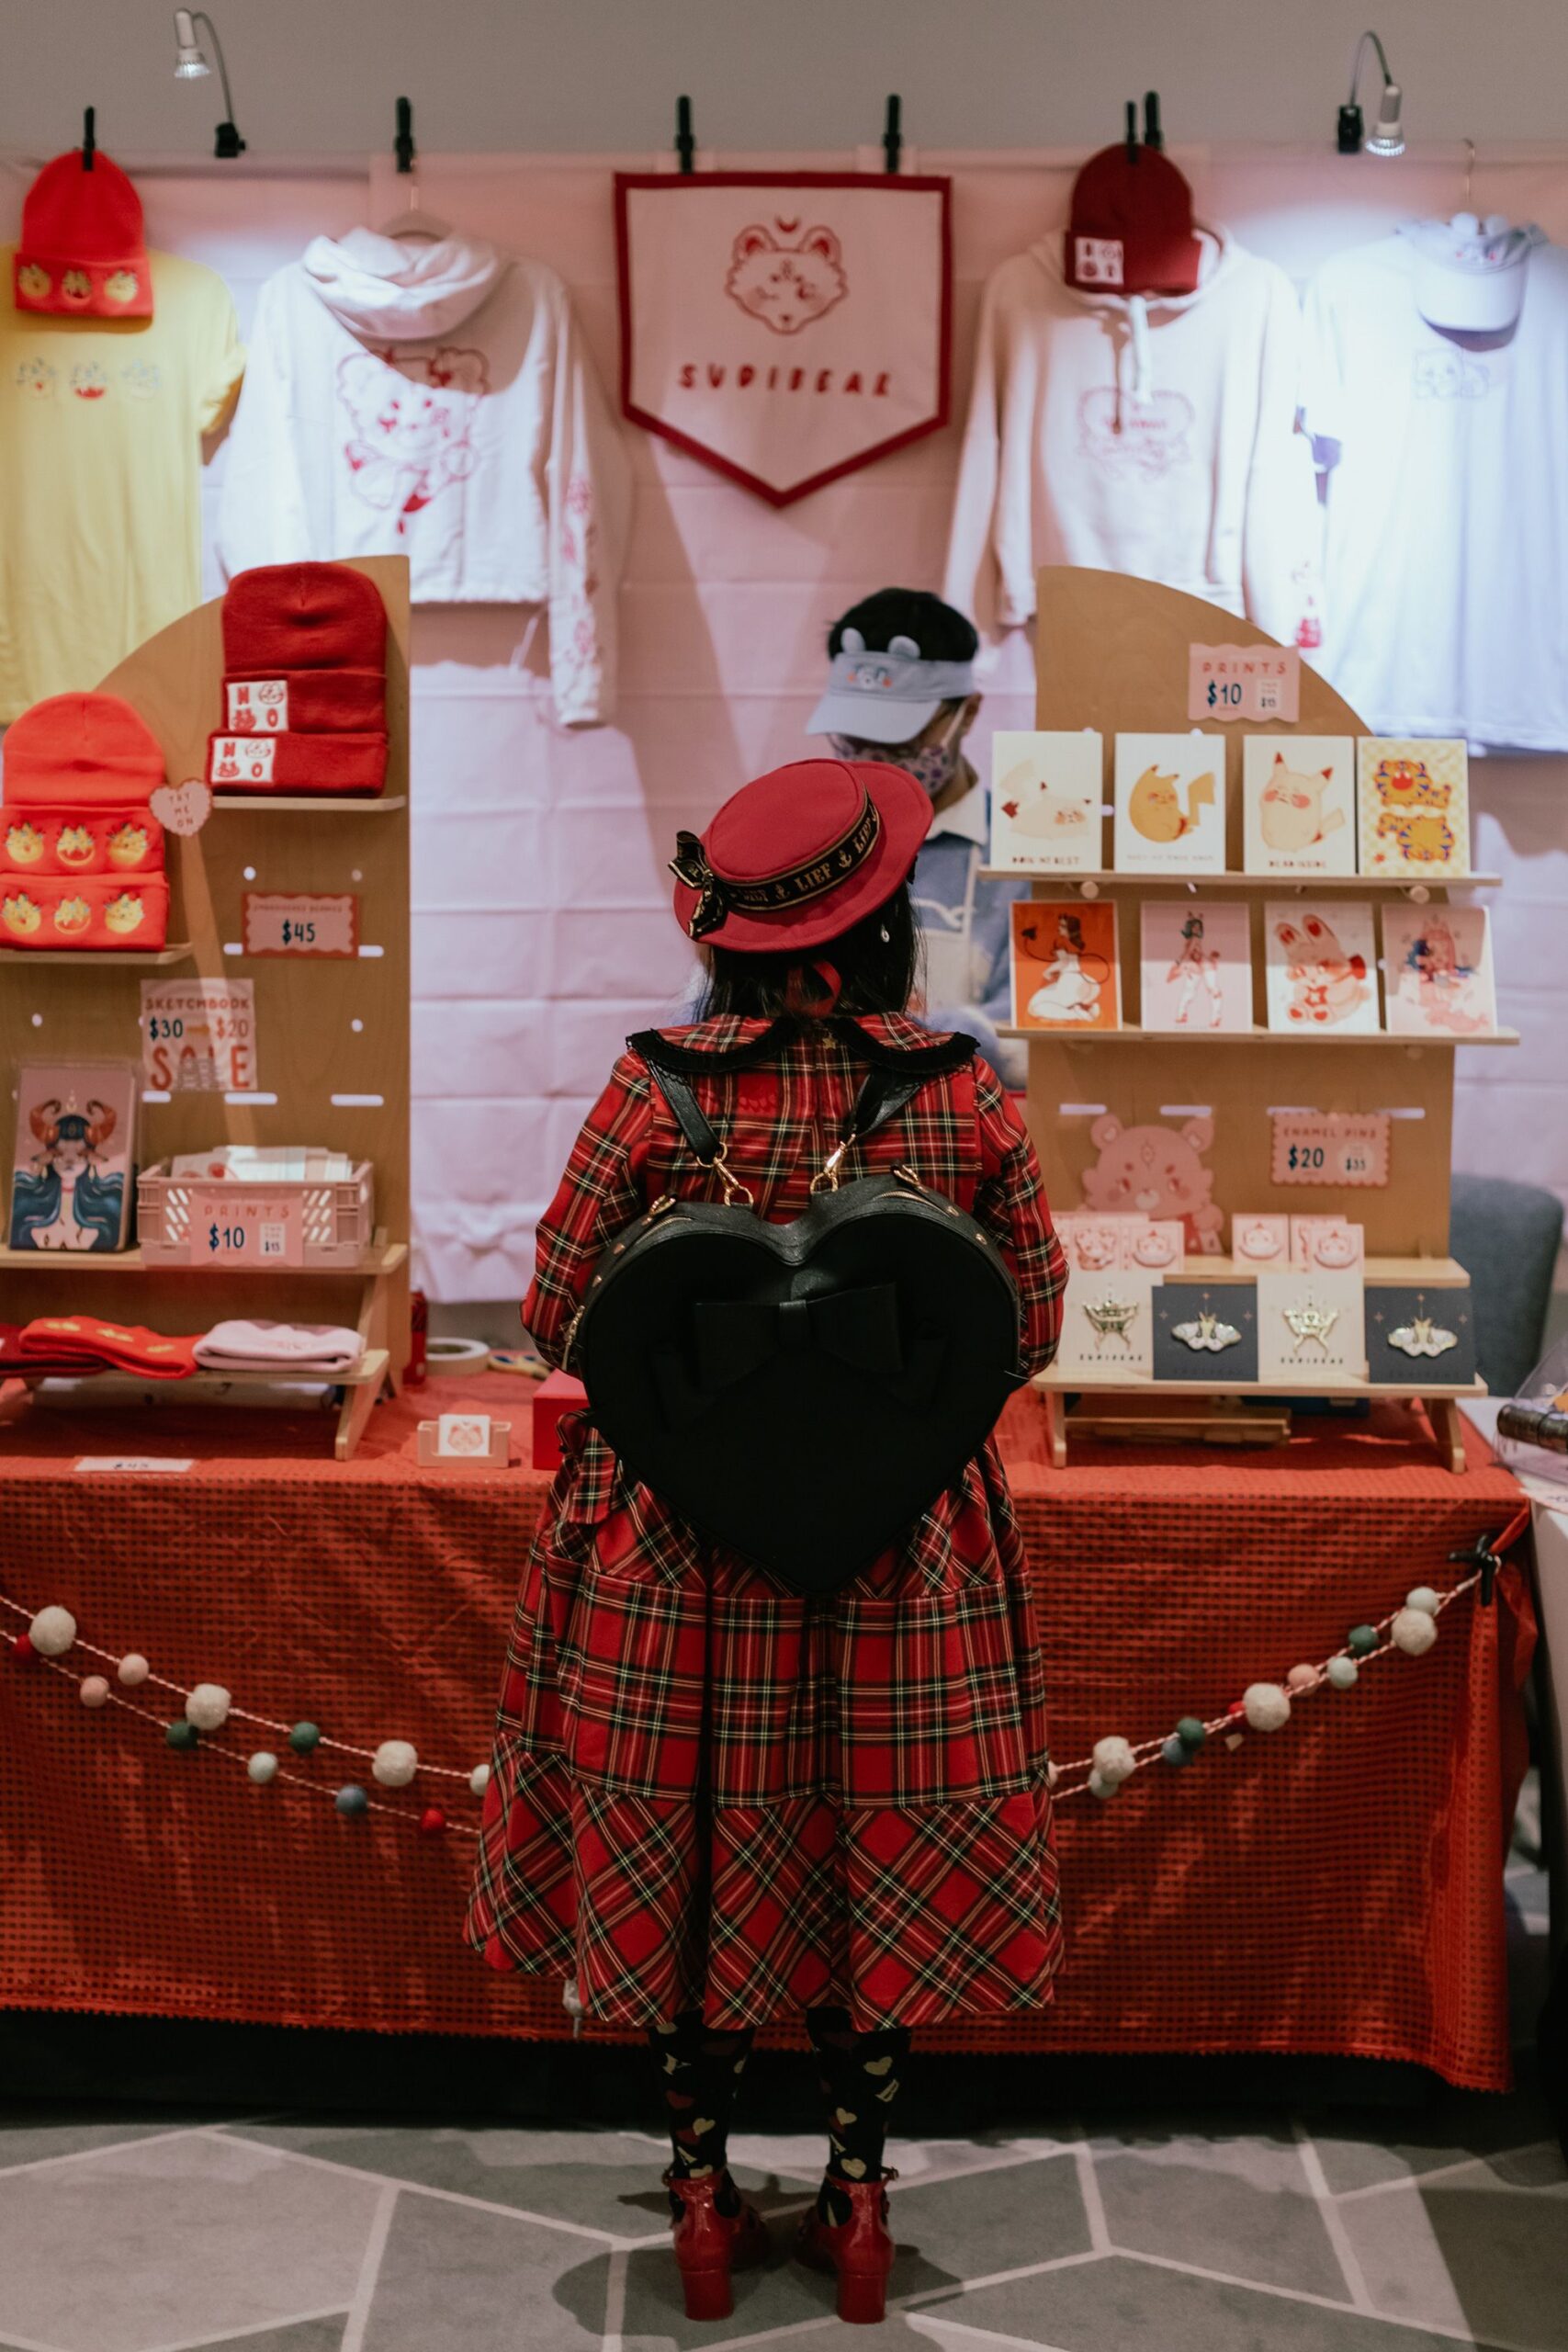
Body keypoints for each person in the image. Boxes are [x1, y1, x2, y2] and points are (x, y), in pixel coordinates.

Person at [466, 756, 1066, 2326]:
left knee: (692, 1862)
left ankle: (703, 2204)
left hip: (677, 1550)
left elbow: (551, 1316)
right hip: (901, 1551)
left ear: (725, 936)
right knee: (873, 1850)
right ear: (880, 932)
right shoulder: (962, 1092)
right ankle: (862, 2202)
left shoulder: (648, 1090)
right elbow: (1036, 1319)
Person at [807, 586, 1031, 1084]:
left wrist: (927, 1037)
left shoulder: (1026, 853)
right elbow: (714, 1002)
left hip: (962, 1140)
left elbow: (1047, 1031)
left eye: (901, 738)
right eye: (854, 738)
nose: (873, 756)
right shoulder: (805, 847)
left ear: (968, 712)